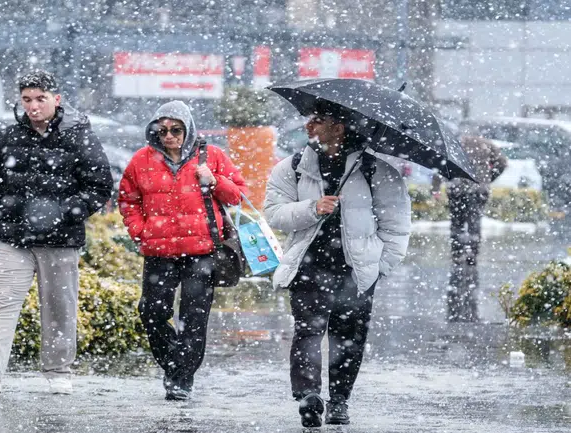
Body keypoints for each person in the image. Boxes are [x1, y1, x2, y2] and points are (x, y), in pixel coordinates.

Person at [0, 70, 113, 395]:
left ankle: (58, 370)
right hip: (12, 235)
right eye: (27, 99)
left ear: (56, 99)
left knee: (59, 305)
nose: (33, 106)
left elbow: (101, 185)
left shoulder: (79, 135)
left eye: (40, 99)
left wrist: (65, 212)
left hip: (60, 239)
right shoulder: (8, 137)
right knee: (3, 301)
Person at [264, 103, 411, 427]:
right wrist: (312, 208)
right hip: (309, 266)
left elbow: (397, 226)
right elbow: (274, 213)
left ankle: (340, 400)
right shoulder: (293, 167)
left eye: (317, 120)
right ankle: (308, 397)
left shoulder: (377, 171)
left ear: (339, 128)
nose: (309, 126)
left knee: (349, 338)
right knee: (308, 333)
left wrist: (379, 267)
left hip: (355, 271)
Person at [118, 101, 247, 401]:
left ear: (188, 130)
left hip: (201, 252)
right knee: (151, 312)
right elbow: (128, 199)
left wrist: (214, 180)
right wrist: (140, 231)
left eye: (176, 130)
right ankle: (175, 363)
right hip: (158, 252)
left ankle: (181, 378)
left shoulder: (212, 156)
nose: (169, 136)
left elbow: (238, 195)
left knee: (194, 317)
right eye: (161, 130)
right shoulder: (141, 160)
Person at [431, 136, 507, 322]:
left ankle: (457, 253)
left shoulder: (454, 142)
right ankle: (472, 253)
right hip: (478, 188)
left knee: (457, 222)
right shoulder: (487, 144)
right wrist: (489, 177)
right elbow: (503, 163)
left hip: (457, 187)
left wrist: (436, 187)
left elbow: (441, 165)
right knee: (474, 223)